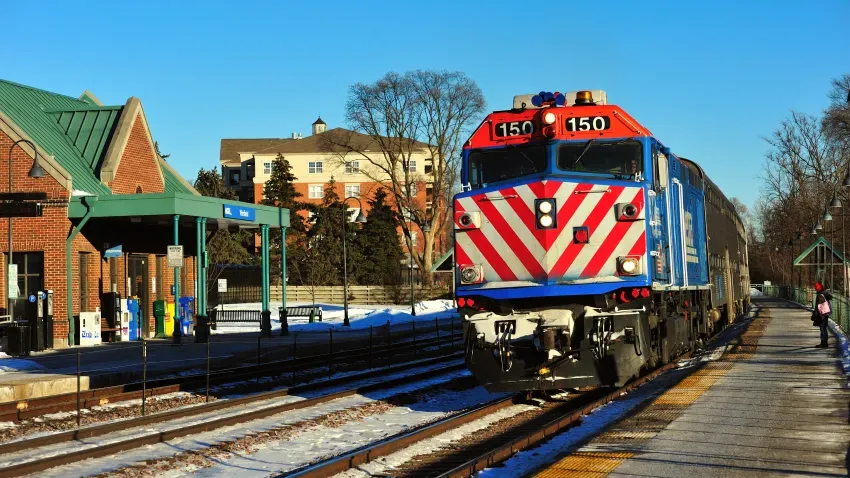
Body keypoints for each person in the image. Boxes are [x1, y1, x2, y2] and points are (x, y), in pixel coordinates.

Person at [814, 282, 832, 348]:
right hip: (825, 314)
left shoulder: (820, 295)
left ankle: (823, 343)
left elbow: (818, 306)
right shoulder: (825, 294)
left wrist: (815, 315)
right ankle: (824, 342)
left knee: (822, 329)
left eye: (815, 288)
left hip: (821, 314)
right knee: (824, 328)